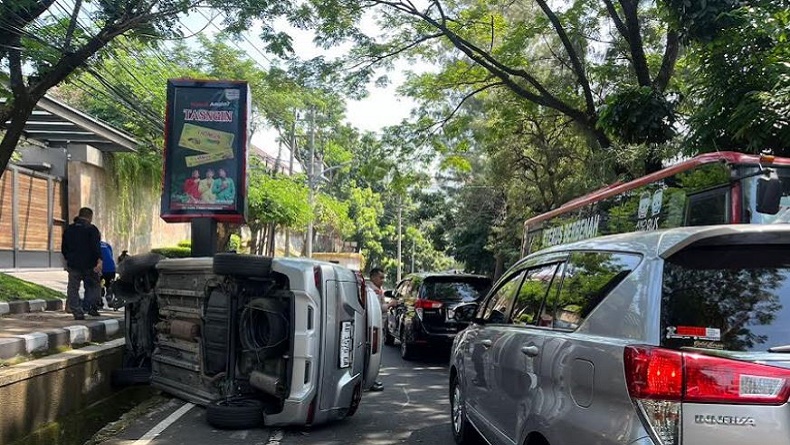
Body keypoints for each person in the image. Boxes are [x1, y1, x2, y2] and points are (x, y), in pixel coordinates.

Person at [61, 207, 102, 320]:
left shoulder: (69, 229)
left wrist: (68, 259)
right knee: (93, 287)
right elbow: (96, 247)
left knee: (73, 288)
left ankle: (77, 311)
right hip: (90, 265)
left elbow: (64, 248)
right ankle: (87, 306)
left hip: (74, 264)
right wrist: (99, 260)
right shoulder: (92, 229)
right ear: (90, 217)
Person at [366, 267, 388, 392]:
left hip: (378, 325)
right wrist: (390, 305)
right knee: (373, 355)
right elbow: (378, 308)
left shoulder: (376, 290)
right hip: (374, 326)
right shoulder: (372, 291)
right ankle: (371, 380)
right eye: (380, 277)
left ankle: (371, 379)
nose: (382, 280)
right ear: (373, 277)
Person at [99, 240, 117, 308]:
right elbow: (110, 255)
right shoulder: (107, 244)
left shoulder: (92, 245)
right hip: (111, 268)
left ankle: (99, 299)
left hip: (101, 269)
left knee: (97, 283)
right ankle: (110, 294)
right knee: (109, 284)